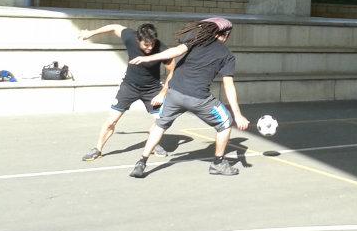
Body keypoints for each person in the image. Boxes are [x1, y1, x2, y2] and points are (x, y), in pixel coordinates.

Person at [127, 17, 250, 178]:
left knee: (160, 125)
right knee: (226, 123)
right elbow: (228, 86)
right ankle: (218, 163)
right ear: (226, 35)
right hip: (198, 98)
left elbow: (176, 51)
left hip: (174, 93)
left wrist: (147, 57)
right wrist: (238, 114)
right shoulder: (227, 56)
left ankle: (142, 162)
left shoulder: (196, 39)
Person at [78, 23, 173, 161]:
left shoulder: (161, 49)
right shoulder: (130, 37)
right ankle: (97, 149)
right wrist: (91, 32)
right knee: (111, 121)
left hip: (152, 90)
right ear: (138, 40)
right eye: (146, 45)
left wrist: (163, 93)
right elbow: (114, 27)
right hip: (129, 87)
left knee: (161, 120)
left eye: (152, 44)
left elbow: (172, 71)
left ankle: (154, 143)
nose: (150, 48)